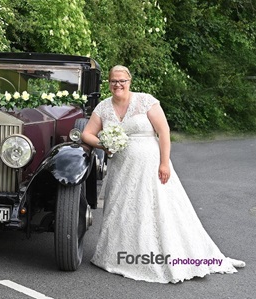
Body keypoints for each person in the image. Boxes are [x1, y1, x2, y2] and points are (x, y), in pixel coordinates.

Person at [82, 65, 245, 283]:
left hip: (150, 165)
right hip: (122, 168)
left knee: (158, 208)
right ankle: (122, 257)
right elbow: (86, 134)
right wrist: (103, 143)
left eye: (122, 80)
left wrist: (164, 163)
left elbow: (164, 130)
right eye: (113, 81)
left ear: (130, 81)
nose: (118, 84)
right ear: (109, 83)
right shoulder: (103, 107)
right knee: (124, 209)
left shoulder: (145, 101)